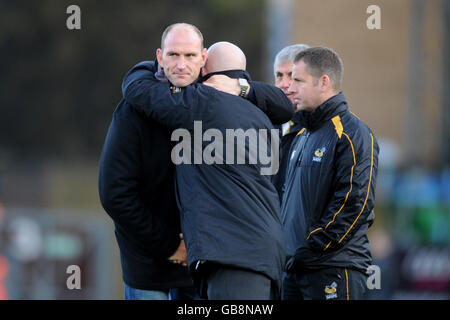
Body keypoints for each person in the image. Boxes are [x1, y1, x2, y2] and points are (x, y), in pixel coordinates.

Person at [122, 29, 294, 299]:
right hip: (265, 255)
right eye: (175, 55)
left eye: (191, 57)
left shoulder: (201, 103)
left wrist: (145, 68)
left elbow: (138, 90)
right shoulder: (263, 115)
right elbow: (284, 104)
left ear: (205, 68)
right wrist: (242, 88)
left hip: (232, 257)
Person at [280, 46, 379, 300]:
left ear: (324, 82)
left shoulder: (352, 133)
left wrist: (312, 245)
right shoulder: (302, 134)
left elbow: (355, 202)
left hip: (334, 269)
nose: (290, 88)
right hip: (294, 268)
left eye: (298, 81)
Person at [272, 44, 309, 198]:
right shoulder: (263, 121)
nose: (284, 84)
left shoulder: (320, 127)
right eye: (279, 75)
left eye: (291, 76)